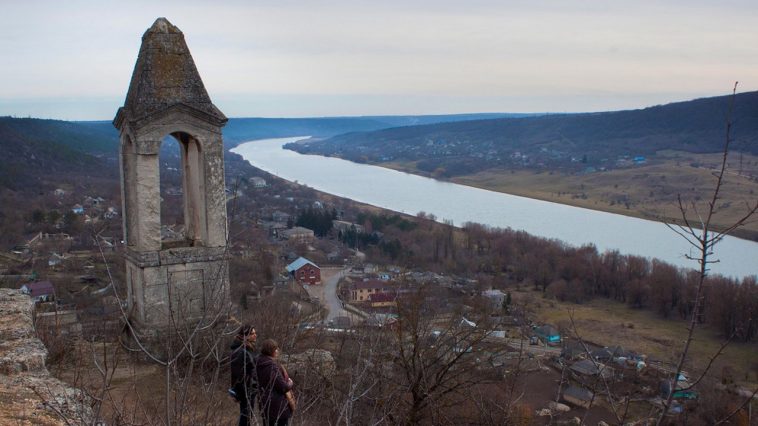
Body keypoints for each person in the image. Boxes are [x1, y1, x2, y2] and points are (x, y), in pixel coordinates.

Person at [256, 339, 294, 426]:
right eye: (275, 349)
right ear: (271, 351)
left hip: (264, 403)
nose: (277, 351)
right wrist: (290, 383)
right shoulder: (271, 366)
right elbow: (283, 387)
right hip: (278, 407)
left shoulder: (258, 362)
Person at [230, 324, 258, 426]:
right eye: (252, 334)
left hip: (249, 388)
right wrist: (252, 385)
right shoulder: (240, 351)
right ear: (245, 336)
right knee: (245, 417)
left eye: (255, 333)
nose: (255, 335)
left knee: (247, 416)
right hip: (245, 389)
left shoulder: (248, 348)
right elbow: (238, 374)